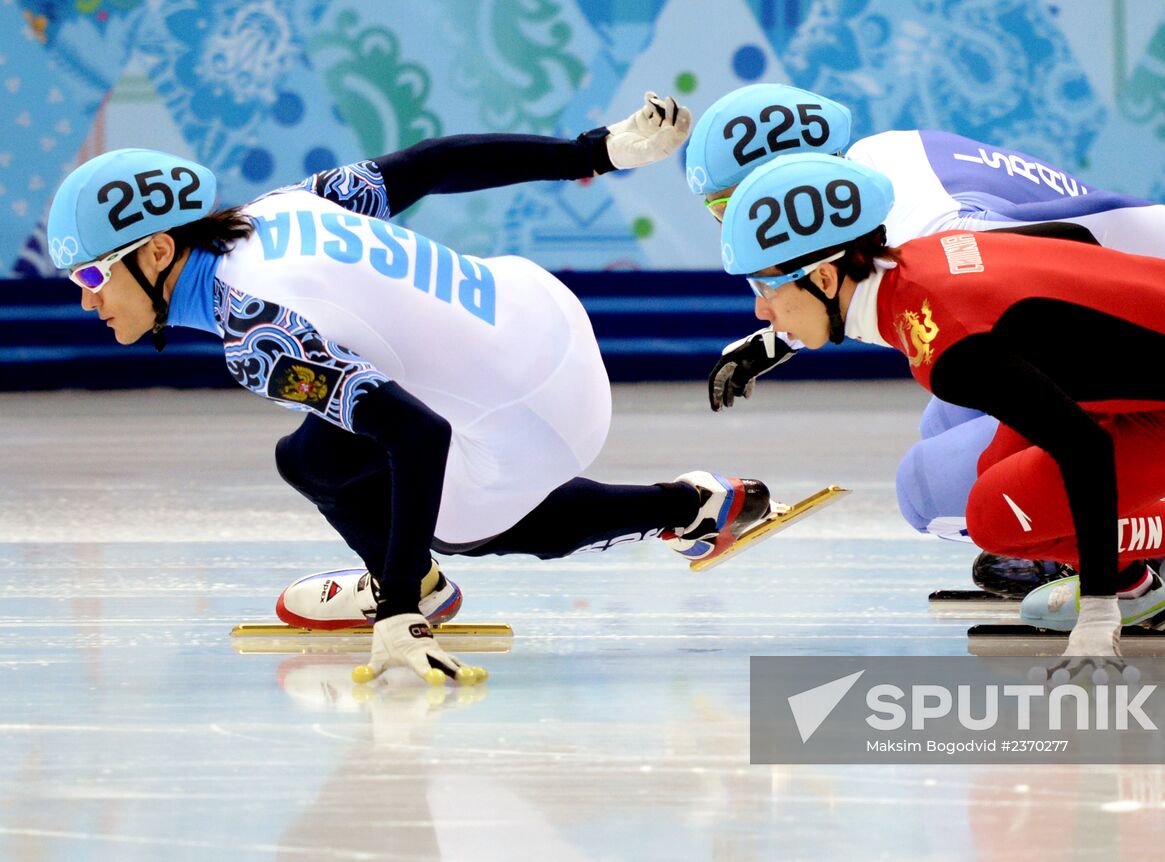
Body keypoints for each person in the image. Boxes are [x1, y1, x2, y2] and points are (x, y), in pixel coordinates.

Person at [46, 93, 772, 684]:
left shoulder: (256, 332)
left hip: (541, 414)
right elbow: (430, 164)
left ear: (158, 250)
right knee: (318, 450)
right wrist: (597, 151)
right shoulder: (284, 207)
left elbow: (418, 435)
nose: (86, 301)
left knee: (437, 515)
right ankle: (419, 575)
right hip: (542, 313)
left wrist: (397, 612)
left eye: (90, 277)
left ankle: (684, 508)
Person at [683, 84, 1165, 587]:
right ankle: (1084, 526)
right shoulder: (880, 165)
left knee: (931, 496)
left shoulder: (927, 222)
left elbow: (1096, 223)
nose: (731, 226)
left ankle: (1146, 539)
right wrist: (771, 345)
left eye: (726, 209)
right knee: (943, 424)